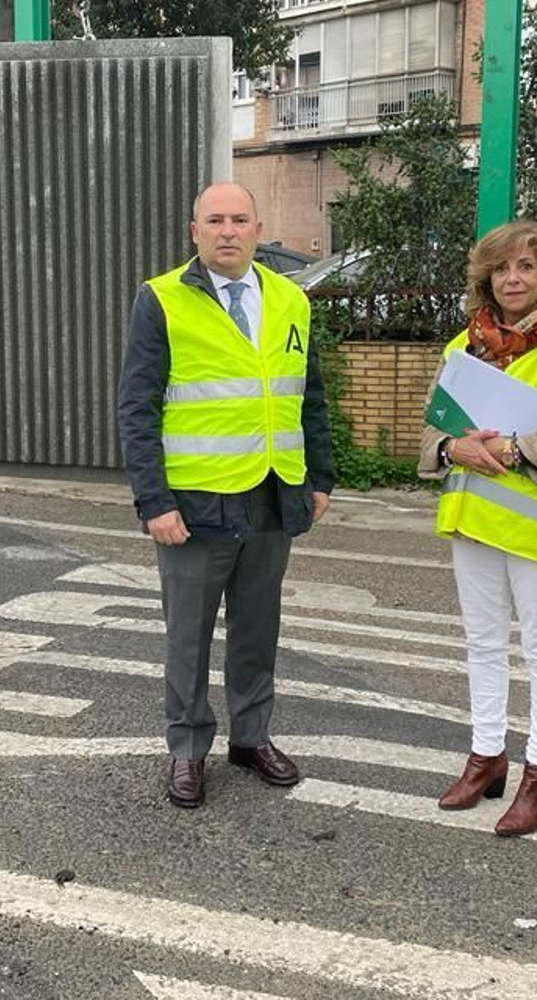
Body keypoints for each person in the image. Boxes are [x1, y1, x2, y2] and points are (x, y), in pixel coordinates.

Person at [116, 181, 335, 809]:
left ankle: (252, 736)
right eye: (215, 220)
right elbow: (138, 406)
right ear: (195, 231)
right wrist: (153, 501)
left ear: (258, 227)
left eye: (240, 219)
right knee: (189, 634)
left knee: (257, 628)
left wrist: (319, 477)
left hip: (272, 492)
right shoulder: (160, 300)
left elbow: (308, 395)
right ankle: (187, 749)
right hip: (195, 501)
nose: (229, 231)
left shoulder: (291, 299)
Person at [418, 221, 537, 837]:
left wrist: (506, 448)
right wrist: (453, 448)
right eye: (501, 269)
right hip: (474, 519)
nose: (513, 279)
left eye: (526, 268)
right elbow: (429, 432)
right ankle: (486, 757)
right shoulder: (465, 346)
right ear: (487, 279)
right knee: (481, 645)